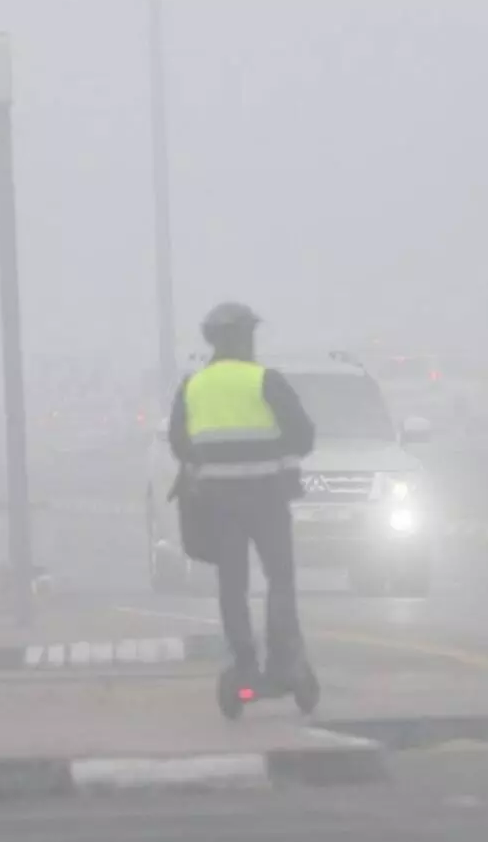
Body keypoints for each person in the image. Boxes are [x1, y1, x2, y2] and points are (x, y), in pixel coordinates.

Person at [168, 301, 320, 712]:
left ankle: (245, 665)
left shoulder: (193, 386)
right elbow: (304, 436)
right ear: (245, 338)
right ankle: (284, 661)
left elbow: (179, 444)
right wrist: (273, 450)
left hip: (217, 504)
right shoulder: (265, 380)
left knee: (232, 586)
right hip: (267, 498)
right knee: (280, 578)